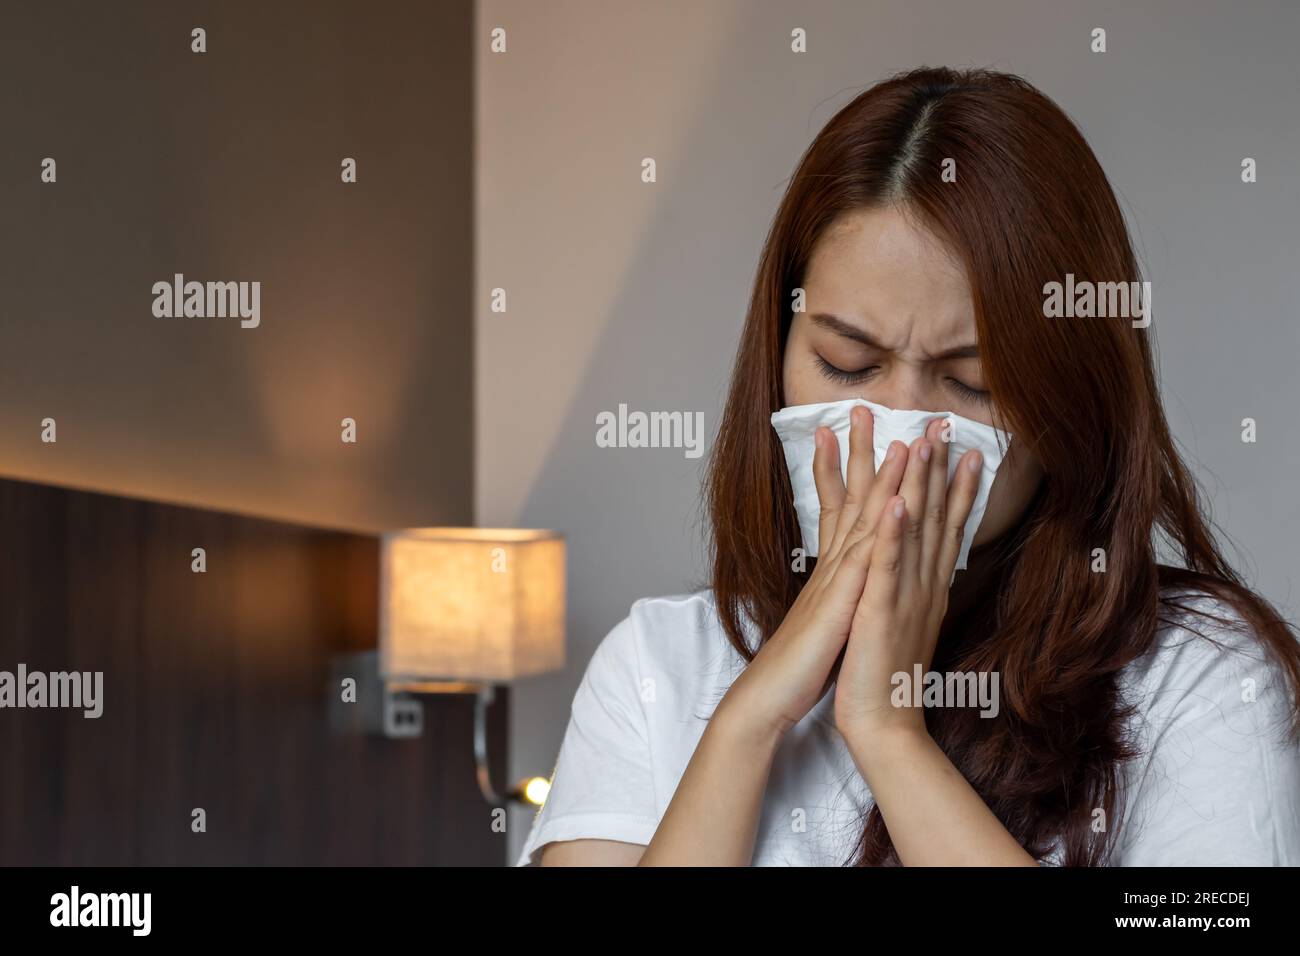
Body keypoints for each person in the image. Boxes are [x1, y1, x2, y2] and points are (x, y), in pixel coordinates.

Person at [517, 66, 1300, 866]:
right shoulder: (657, 664)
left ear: (1070, 401)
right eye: (848, 363)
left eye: (972, 383)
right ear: (779, 354)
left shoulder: (1199, 681)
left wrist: (890, 734)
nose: (899, 436)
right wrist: (744, 728)